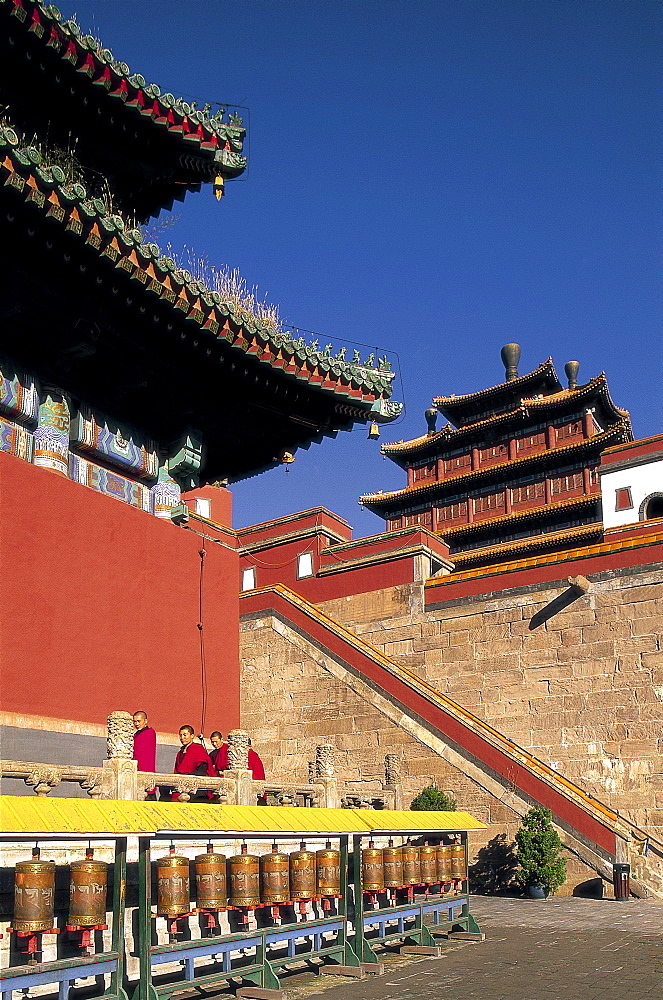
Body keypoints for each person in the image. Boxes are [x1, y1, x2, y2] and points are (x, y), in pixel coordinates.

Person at [172, 725, 215, 801]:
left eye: (185, 735)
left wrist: (187, 777)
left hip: (197, 787)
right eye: (180, 735)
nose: (182, 738)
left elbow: (202, 771)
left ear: (192, 736)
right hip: (182, 785)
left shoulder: (198, 749)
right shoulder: (180, 753)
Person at [133, 711, 157, 798]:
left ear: (145, 721)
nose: (136, 724)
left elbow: (141, 752)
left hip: (146, 769)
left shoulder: (150, 733)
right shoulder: (136, 735)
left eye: (139, 721)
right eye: (135, 721)